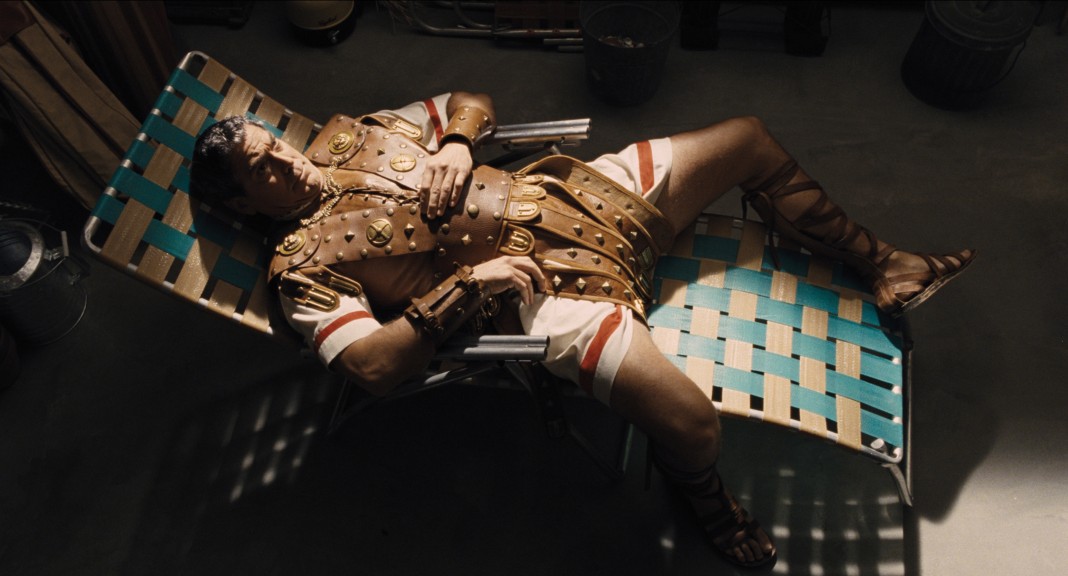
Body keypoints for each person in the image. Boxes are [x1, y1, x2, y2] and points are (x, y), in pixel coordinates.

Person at [191, 91, 974, 568]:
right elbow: (369, 367)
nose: (286, 162)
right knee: (691, 424)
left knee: (746, 138)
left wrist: (458, 140)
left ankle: (885, 265)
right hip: (543, 298)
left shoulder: (351, 135)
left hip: (575, 195)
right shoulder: (302, 270)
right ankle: (701, 498)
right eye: (263, 171)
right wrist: (469, 284)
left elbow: (468, 100)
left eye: (274, 146)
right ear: (242, 205)